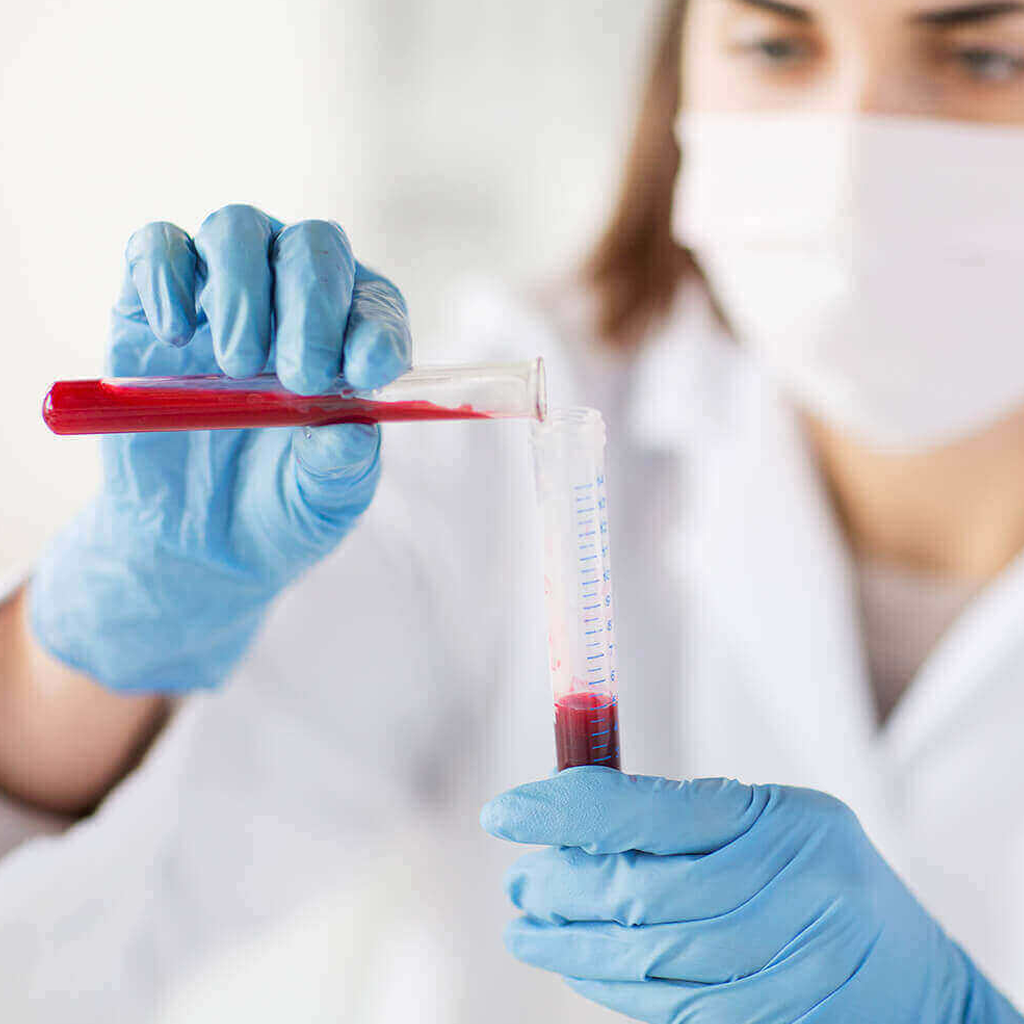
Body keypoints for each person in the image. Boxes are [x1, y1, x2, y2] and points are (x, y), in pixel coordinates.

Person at [1, 0, 1024, 1018]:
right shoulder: (489, 457)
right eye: (771, 45)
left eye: (986, 55)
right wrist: (98, 653)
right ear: (680, 70)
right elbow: (47, 968)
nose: (851, 158)